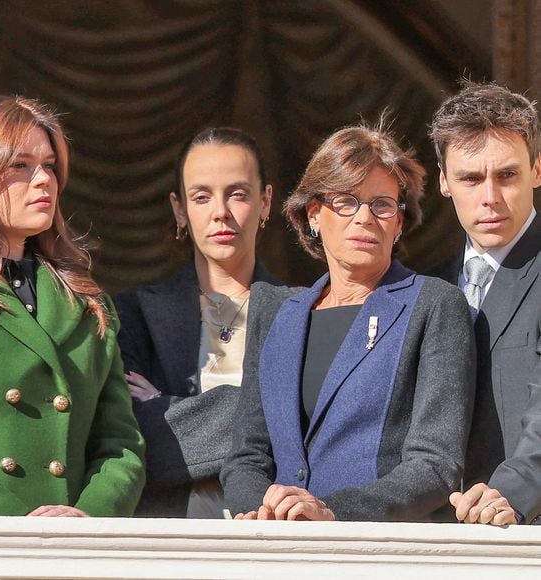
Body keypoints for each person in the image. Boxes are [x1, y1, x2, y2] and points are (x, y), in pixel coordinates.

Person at [220, 123, 476, 522]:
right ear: (314, 215)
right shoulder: (277, 315)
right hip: (277, 550)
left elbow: (435, 464)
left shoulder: (434, 305)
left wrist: (332, 513)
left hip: (379, 551)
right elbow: (247, 455)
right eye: (346, 201)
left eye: (382, 204)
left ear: (399, 223)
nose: (365, 218)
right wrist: (259, 513)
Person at [0, 91, 145, 517]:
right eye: (20, 166)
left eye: (49, 165)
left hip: (72, 551)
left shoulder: (86, 301)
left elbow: (121, 443)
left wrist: (88, 517)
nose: (43, 180)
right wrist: (13, 524)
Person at [114, 127, 287, 517]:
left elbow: (306, 432)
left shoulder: (303, 313)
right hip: (166, 540)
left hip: (272, 534)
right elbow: (133, 441)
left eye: (238, 194)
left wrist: (166, 406)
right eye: (201, 196)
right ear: (180, 209)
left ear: (265, 202)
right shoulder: (134, 314)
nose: (220, 212)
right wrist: (266, 414)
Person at [430, 81, 541, 525]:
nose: (490, 197)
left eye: (507, 175)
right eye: (471, 178)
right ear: (444, 181)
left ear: (536, 169)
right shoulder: (427, 284)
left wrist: (511, 492)